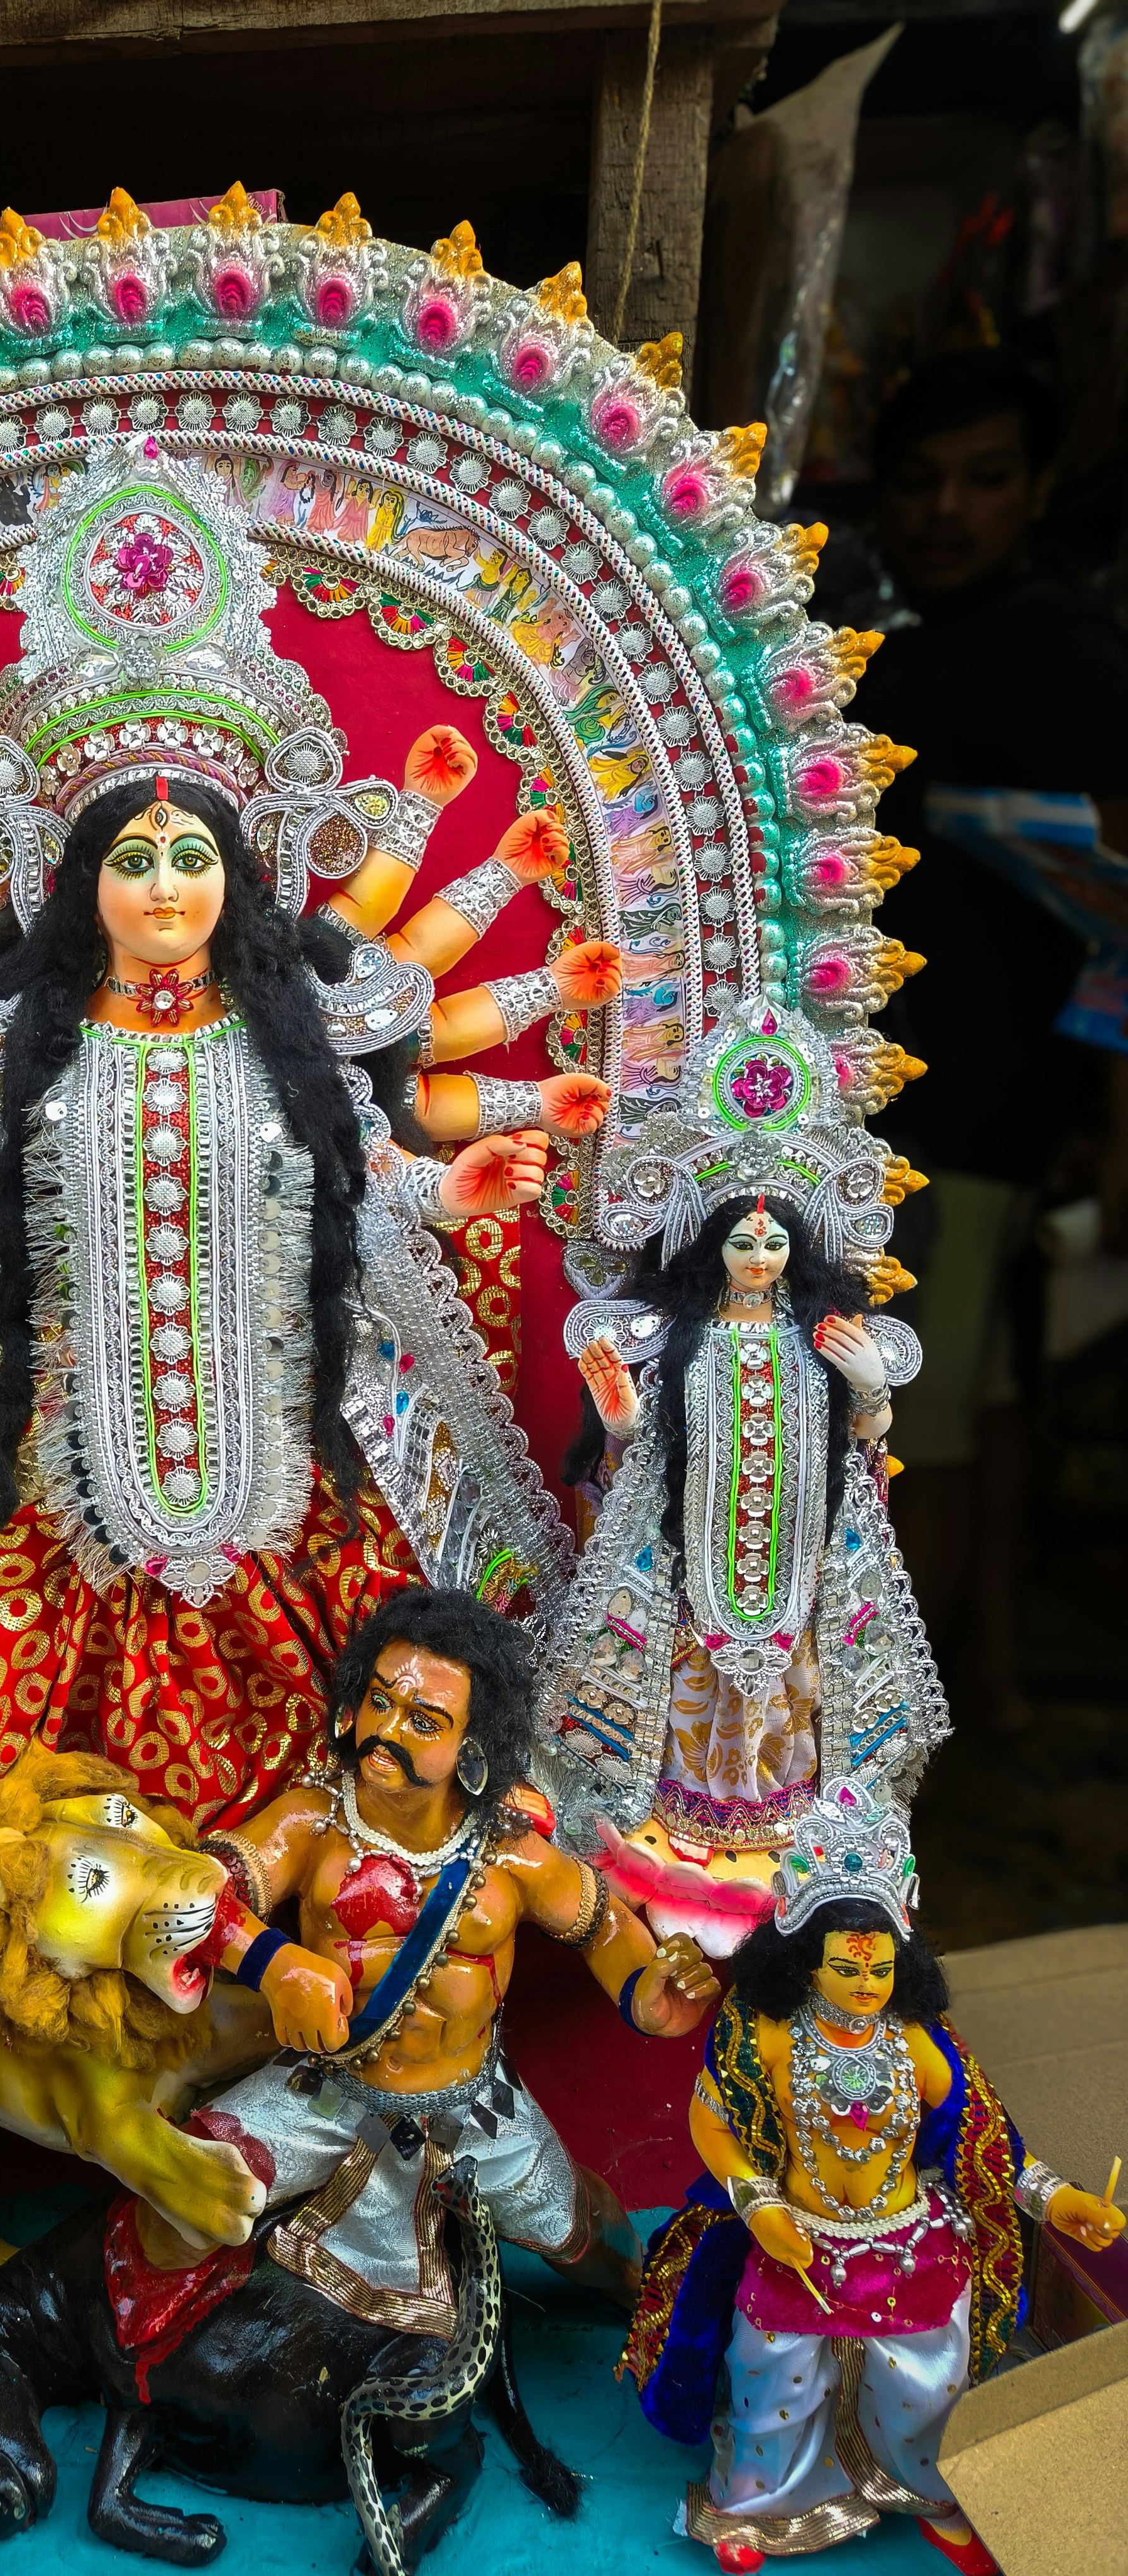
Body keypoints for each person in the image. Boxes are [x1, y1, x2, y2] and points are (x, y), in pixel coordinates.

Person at [0, 435, 622, 2045]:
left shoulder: (293, 1043)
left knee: (363, 1742)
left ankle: (325, 2005)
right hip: (65, 1489)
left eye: (191, 855)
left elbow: (357, 1195)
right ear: (82, 883)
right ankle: (87, 2027)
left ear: (238, 876)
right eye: (130, 858)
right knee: (28, 1790)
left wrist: (459, 1191)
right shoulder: (28, 1057)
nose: (161, 886)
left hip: (289, 1483)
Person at [169, 1583, 720, 2327]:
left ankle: (644, 2290)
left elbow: (601, 1928)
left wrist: (646, 1994)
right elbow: (191, 1893)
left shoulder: (515, 1856)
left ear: (473, 1747)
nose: (387, 1729)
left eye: (424, 1720)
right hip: (322, 2092)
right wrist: (273, 1964)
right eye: (380, 1700)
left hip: (476, 2110)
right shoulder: (310, 1822)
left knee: (575, 2230)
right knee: (191, 2173)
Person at [619, 1780, 1123, 2572]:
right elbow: (711, 2122)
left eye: (882, 1967)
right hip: (797, 2238)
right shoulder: (764, 2033)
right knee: (771, 2377)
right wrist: (757, 2204)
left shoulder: (917, 2039)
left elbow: (984, 2138)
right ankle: (760, 2505)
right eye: (847, 1966)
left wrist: (1057, 2200)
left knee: (923, 2386)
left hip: (906, 2242)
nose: (867, 1984)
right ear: (801, 1960)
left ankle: (933, 2491)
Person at [533, 999, 944, 1954]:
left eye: (775, 1244)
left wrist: (870, 1392)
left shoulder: (821, 1339)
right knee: (693, 1676)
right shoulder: (677, 1341)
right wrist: (623, 1429)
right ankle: (679, 1833)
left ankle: (783, 1832)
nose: (760, 1259)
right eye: (743, 1242)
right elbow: (645, 1460)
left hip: (799, 1557)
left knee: (795, 1686)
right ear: (711, 1246)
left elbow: (864, 1449)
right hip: (692, 1563)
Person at [852, 348, 1128, 1723]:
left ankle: (889, 1759)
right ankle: (978, 1700)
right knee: (974, 1405)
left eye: (986, 478)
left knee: (925, 1429)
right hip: (963, 1102)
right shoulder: (938, 641)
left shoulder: (1050, 649)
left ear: (1039, 488)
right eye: (920, 481)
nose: (948, 510)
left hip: (964, 1107)